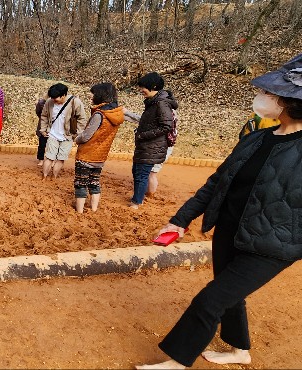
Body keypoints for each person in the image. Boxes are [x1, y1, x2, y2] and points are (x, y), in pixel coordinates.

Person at [136, 53, 302, 369]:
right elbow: (216, 183)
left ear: (289, 101)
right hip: (231, 229)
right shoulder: (257, 137)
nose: (262, 97)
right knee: (230, 295)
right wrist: (180, 220)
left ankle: (176, 360)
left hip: (273, 245)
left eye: (269, 93)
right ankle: (240, 351)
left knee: (211, 300)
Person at [72, 83, 124, 213]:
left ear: (100, 95)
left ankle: (79, 211)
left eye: (93, 95)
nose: (91, 97)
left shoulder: (99, 115)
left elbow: (86, 136)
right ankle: (94, 209)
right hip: (100, 157)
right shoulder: (116, 114)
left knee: (81, 183)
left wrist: (76, 139)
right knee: (94, 182)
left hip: (87, 155)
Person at [130, 72, 178, 209]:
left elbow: (166, 126)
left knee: (142, 174)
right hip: (146, 146)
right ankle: (137, 198)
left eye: (143, 87)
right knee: (137, 172)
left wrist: (143, 135)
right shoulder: (154, 102)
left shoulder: (161, 104)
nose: (141, 90)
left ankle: (137, 202)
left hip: (152, 146)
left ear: (154, 86)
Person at [38, 83, 88, 179]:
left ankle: (54, 177)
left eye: (56, 99)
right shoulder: (49, 102)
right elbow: (44, 116)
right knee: (49, 156)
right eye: (52, 98)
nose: (54, 101)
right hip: (52, 134)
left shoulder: (75, 102)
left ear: (64, 95)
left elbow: (82, 119)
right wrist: (43, 129)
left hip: (68, 136)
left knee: (61, 158)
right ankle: (44, 177)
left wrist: (77, 133)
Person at [35, 94, 48, 166]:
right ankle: (41, 159)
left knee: (52, 145)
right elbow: (38, 112)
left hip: (53, 127)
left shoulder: (57, 103)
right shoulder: (41, 103)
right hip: (43, 125)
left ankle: (50, 160)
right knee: (42, 144)